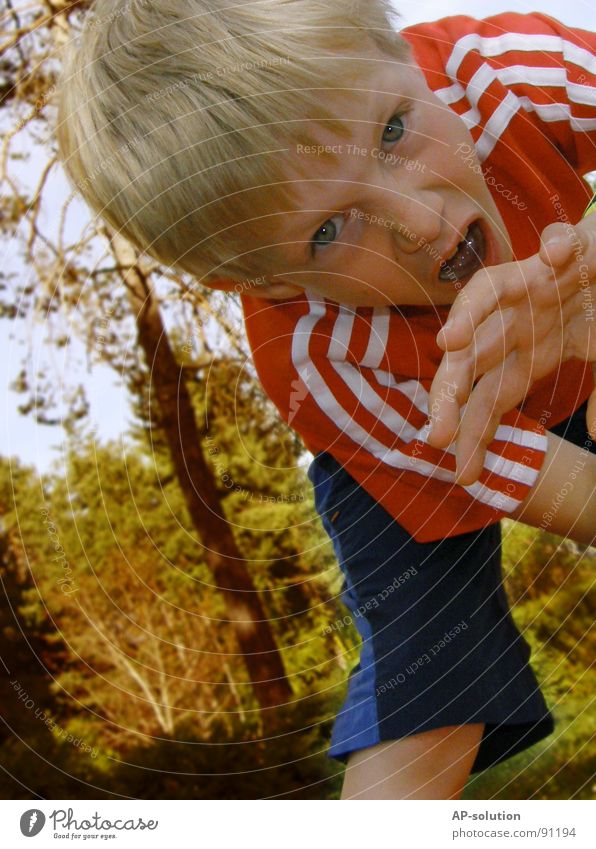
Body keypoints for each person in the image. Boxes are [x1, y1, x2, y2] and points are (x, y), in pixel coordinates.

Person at [54, 0, 596, 799]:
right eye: (329, 230)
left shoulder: (499, 73)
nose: (415, 221)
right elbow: (546, 487)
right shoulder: (318, 358)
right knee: (430, 665)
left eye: (391, 131)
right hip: (406, 443)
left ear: (407, 62)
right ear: (262, 281)